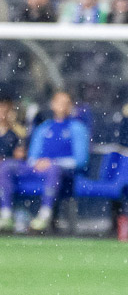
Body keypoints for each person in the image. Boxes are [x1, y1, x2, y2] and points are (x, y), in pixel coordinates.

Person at [0, 91, 89, 232]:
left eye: (66, 103)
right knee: (6, 166)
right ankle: (5, 213)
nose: (62, 107)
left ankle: (45, 214)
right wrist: (37, 162)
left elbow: (80, 160)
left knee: (54, 169)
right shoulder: (44, 128)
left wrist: (54, 162)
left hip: (62, 173)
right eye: (59, 102)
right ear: (52, 104)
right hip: (39, 169)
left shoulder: (77, 128)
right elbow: (32, 156)